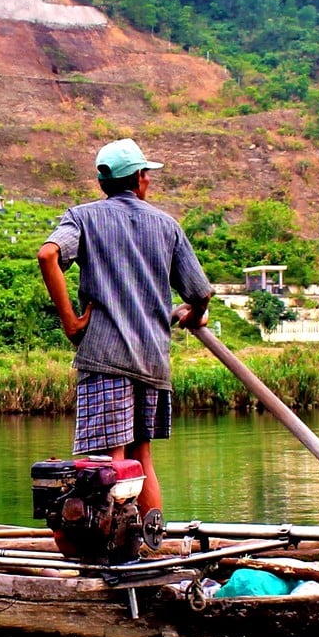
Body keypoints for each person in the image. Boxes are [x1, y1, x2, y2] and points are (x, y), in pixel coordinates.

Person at [36, 138, 214, 542]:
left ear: (105, 182)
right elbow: (200, 291)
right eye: (146, 174)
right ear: (138, 179)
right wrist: (195, 315)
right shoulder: (165, 225)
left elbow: (49, 256)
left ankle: (115, 550)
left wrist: (70, 322)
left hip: (105, 358)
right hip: (153, 360)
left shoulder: (82, 218)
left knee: (109, 459)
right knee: (141, 457)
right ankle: (151, 545)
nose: (148, 180)